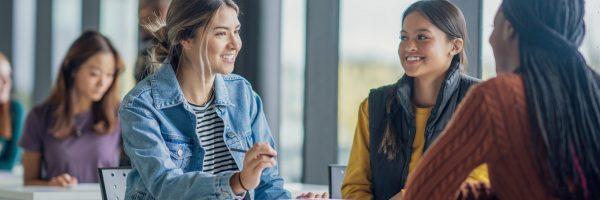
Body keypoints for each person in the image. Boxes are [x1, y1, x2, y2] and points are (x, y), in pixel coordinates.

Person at [119, 0, 326, 199]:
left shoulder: (242, 94)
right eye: (221, 33)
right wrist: (238, 181)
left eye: (236, 31)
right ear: (185, 38)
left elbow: (267, 185)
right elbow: (164, 185)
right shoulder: (141, 106)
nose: (235, 44)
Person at [403, 0, 600, 199]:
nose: (489, 39)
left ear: (509, 29)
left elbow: (420, 194)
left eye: (493, 26)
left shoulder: (498, 98)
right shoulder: (591, 94)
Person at [341, 1, 488, 199]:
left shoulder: (480, 102)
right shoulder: (374, 106)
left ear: (454, 46)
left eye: (422, 37)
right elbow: (354, 188)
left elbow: (481, 184)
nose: (409, 46)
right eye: (403, 37)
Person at [20, 31, 124, 186]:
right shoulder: (39, 117)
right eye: (94, 74)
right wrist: (51, 184)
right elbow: (29, 181)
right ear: (73, 69)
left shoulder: (120, 114)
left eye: (109, 75)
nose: (103, 83)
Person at [0, 52, 25, 171]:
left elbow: (10, 163)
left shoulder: (15, 110)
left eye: (8, 76)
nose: (6, 82)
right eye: (0, 76)